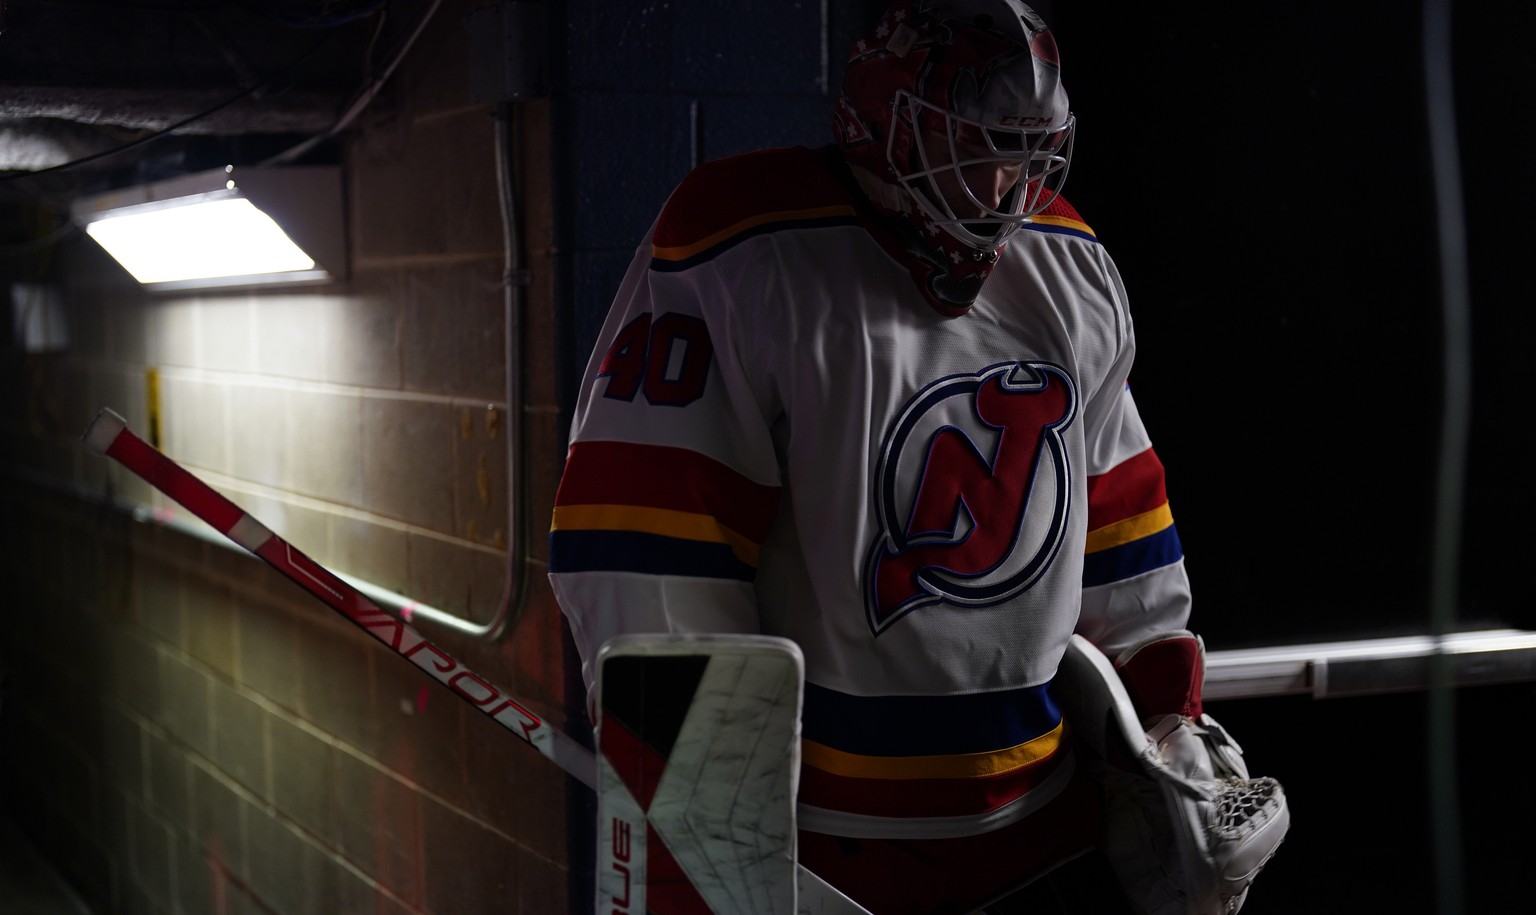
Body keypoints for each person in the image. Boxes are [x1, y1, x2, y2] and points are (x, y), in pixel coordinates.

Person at [550, 2, 1282, 912]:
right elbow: (646, 549)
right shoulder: (742, 243)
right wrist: (711, 838)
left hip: (1047, 834)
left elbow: (1122, 527)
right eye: (970, 147)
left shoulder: (1068, 260)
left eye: (1022, 152)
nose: (1005, 187)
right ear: (880, 124)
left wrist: (1171, 729)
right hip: (833, 853)